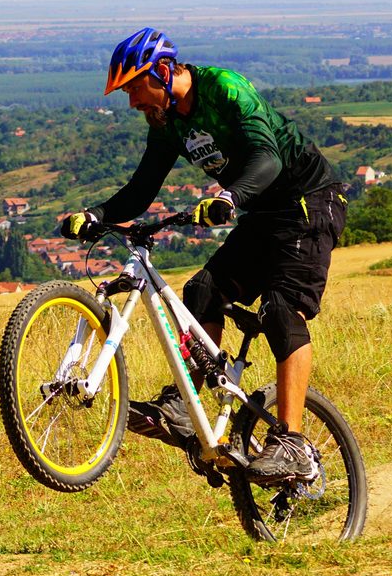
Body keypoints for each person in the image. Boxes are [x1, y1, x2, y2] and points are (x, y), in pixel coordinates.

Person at [60, 28, 347, 481]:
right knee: (203, 291)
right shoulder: (166, 122)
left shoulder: (224, 88)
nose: (133, 101)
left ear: (162, 71)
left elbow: (267, 158)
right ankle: (183, 402)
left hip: (308, 202)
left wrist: (230, 196)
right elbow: (142, 187)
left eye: (135, 86)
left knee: (281, 310)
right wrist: (95, 214)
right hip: (262, 213)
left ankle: (293, 443)